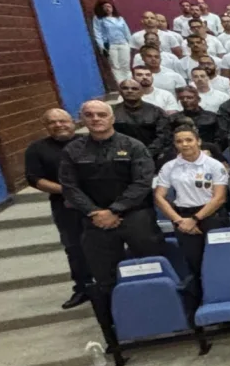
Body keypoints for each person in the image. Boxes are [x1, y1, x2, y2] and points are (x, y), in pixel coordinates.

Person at [58, 99, 165, 352]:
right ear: (81, 119)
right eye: (89, 115)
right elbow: (70, 187)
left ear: (112, 118)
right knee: (105, 278)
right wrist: (96, 212)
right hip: (95, 221)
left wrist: (115, 210)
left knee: (151, 265)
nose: (96, 119)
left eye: (101, 114)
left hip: (135, 216)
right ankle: (117, 331)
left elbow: (142, 182)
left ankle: (160, 317)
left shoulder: (133, 146)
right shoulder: (73, 151)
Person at [152, 122, 230, 300]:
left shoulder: (213, 165)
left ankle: (224, 298)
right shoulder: (169, 167)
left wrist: (195, 219)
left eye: (189, 140)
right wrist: (179, 221)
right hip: (182, 218)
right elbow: (159, 197)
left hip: (211, 215)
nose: (185, 144)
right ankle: (203, 301)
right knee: (195, 264)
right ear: (175, 144)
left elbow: (220, 198)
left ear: (198, 141)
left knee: (219, 262)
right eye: (180, 141)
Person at [23, 108, 91, 309]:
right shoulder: (36, 149)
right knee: (74, 247)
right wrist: (69, 191)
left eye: (63, 120)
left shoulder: (88, 142)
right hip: (65, 204)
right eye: (53, 122)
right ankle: (83, 288)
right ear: (46, 126)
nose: (59, 125)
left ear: (73, 122)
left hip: (97, 201)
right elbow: (35, 179)